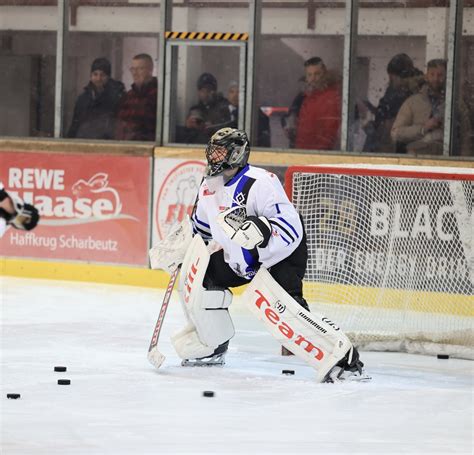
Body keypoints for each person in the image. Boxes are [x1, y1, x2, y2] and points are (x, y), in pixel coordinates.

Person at [149, 127, 369, 383]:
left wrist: (262, 231)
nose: (213, 157)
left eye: (220, 152)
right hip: (239, 258)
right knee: (198, 276)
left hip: (279, 256)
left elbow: (290, 225)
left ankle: (345, 361)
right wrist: (182, 248)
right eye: (213, 150)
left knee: (286, 312)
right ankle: (212, 345)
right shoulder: (208, 186)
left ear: (236, 154)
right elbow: (201, 229)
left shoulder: (261, 181)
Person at [391, 58, 471, 155]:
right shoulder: (412, 102)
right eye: (432, 74)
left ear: (447, 77)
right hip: (417, 161)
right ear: (426, 76)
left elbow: (466, 137)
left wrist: (463, 163)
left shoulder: (457, 104)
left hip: (448, 161)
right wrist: (423, 128)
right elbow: (395, 133)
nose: (436, 79)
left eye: (440, 75)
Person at [362, 53, 424, 153]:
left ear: (399, 76)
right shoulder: (397, 90)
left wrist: (380, 123)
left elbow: (391, 115)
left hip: (398, 144)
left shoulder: (406, 93)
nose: (390, 79)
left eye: (392, 76)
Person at [283, 57, 342, 150]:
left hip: (317, 155)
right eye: (309, 75)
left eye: (317, 74)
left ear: (325, 74)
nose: (313, 78)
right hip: (303, 152)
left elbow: (330, 130)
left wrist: (319, 154)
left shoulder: (331, 97)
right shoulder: (307, 97)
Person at [67, 57, 125, 140]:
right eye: (95, 74)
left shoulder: (117, 98)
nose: (98, 78)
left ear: (108, 77)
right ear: (90, 76)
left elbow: (118, 127)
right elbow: (75, 125)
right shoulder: (82, 99)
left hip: (107, 146)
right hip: (83, 144)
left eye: (102, 75)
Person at [175, 73, 229, 144]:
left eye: (209, 90)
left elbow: (229, 129)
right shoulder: (195, 109)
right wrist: (188, 127)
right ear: (198, 92)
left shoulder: (224, 108)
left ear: (214, 91)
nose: (206, 93)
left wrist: (213, 127)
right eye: (203, 90)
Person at [116, 54, 158, 141]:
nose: (135, 73)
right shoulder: (128, 96)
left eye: (140, 69)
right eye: (133, 69)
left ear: (150, 70)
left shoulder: (158, 95)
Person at [223, 80, 271, 147]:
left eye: (239, 92)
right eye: (232, 92)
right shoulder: (219, 113)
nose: (235, 95)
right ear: (227, 95)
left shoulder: (257, 115)